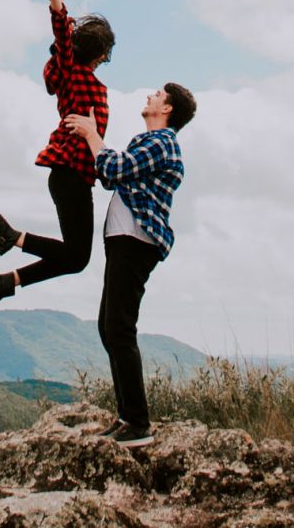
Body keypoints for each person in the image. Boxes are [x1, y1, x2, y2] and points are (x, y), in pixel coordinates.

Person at [0, 0, 112, 320]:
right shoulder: (74, 74)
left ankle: (4, 281)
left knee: (76, 257)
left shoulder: (80, 79)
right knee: (78, 257)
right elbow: (63, 37)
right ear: (101, 54)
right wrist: (56, 0)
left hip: (75, 177)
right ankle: (7, 237)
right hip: (69, 175)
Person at [65, 83, 196, 448]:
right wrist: (100, 149)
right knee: (110, 327)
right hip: (125, 240)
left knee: (119, 328)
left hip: (136, 241)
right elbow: (111, 175)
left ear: (167, 109)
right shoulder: (148, 142)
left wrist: (93, 135)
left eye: (157, 94)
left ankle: (138, 423)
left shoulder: (163, 142)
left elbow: (114, 166)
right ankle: (127, 417)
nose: (150, 96)